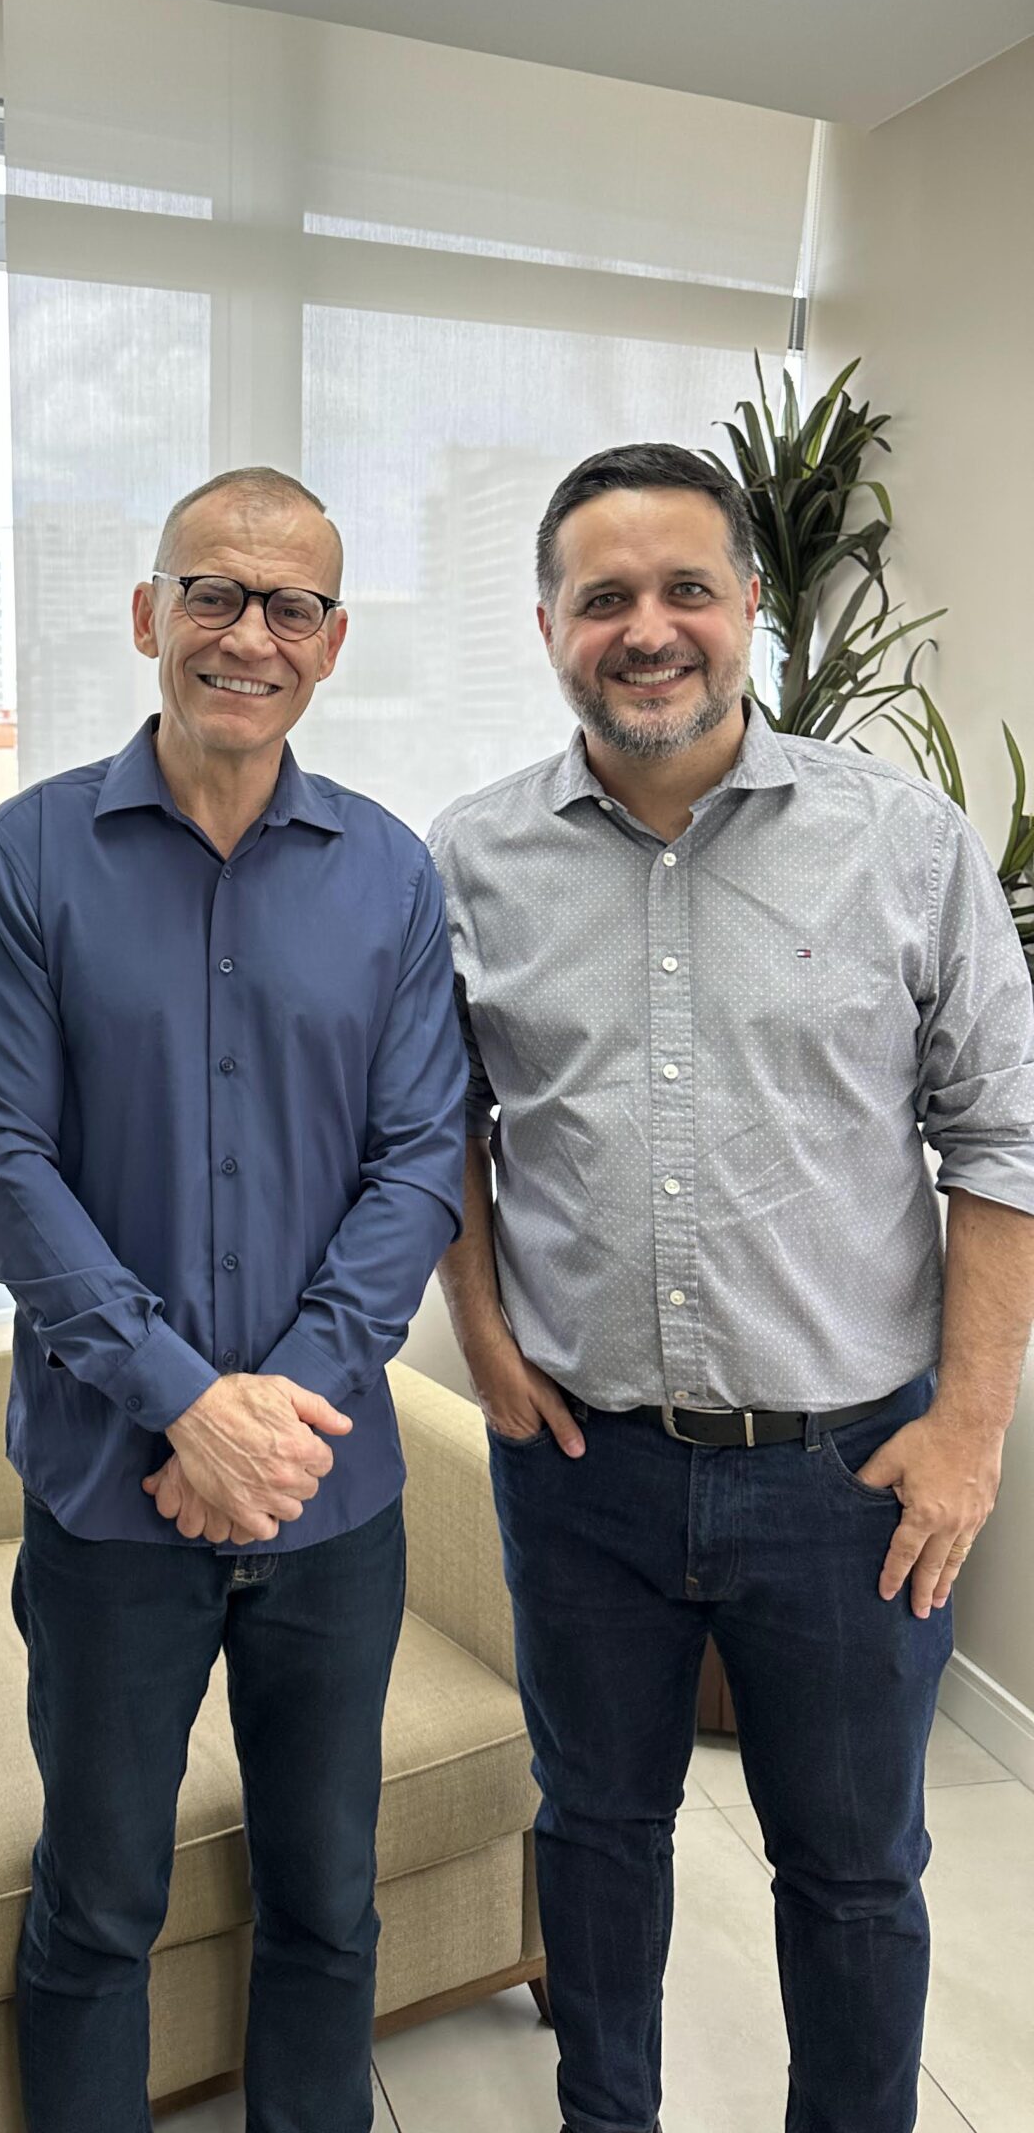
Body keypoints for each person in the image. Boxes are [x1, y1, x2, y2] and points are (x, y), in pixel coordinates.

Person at [428, 442, 1034, 2133]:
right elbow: (438, 1126)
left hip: (852, 1484)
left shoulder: (903, 845)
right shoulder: (468, 861)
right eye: (603, 596)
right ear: (548, 624)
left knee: (854, 1874)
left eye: (686, 588)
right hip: (584, 1473)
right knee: (595, 1837)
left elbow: (1005, 1140)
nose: (648, 628)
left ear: (750, 606)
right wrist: (483, 1337)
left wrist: (971, 1431)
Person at [0, 465, 465, 2133]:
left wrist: (275, 1417)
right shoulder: (27, 859)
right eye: (214, 595)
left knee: (328, 1900)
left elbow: (420, 1162)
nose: (249, 635)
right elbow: (3, 1161)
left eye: (290, 605)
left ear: (333, 641)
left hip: (329, 1496)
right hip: (111, 1498)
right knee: (98, 1906)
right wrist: (182, 1403)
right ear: (147, 614)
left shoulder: (390, 875)